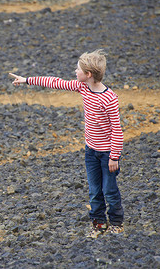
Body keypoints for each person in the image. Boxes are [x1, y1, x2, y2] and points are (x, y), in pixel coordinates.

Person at [9, 49, 124, 238]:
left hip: (107, 155)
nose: (74, 71)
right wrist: (27, 79)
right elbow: (55, 82)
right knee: (95, 191)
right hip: (91, 151)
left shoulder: (109, 97)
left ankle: (117, 223)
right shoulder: (83, 87)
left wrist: (114, 156)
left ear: (88, 75)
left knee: (109, 191)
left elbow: (117, 130)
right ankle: (98, 223)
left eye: (77, 69)